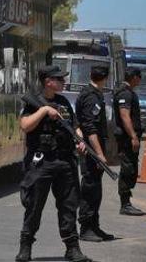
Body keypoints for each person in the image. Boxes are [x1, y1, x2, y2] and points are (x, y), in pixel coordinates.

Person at [16, 65, 91, 262]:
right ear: (48, 81)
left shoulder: (64, 102)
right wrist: (44, 111)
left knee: (68, 206)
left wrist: (80, 141)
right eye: (59, 79)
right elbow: (25, 125)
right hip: (42, 162)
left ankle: (72, 248)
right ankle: (25, 247)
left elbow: (75, 127)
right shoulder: (34, 102)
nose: (63, 82)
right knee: (34, 206)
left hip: (65, 161)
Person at [75, 65, 115, 242]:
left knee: (96, 190)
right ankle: (85, 228)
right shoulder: (91, 97)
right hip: (91, 150)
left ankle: (94, 226)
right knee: (90, 188)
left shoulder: (93, 93)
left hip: (94, 148)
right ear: (104, 78)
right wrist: (99, 153)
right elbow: (90, 129)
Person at [113, 68, 146, 216]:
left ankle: (127, 202)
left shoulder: (129, 92)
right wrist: (133, 136)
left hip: (130, 137)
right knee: (127, 169)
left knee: (131, 168)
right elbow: (124, 115)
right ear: (133, 77)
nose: (140, 80)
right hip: (126, 139)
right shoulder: (125, 93)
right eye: (139, 77)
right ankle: (125, 204)